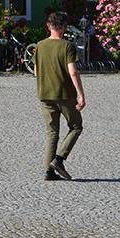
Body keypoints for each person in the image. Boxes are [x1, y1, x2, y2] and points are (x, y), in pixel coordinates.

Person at [34, 11, 87, 181]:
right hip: (64, 94)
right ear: (63, 28)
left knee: (52, 132)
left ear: (48, 26)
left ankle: (49, 172)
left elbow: (36, 71)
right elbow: (73, 71)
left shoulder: (39, 46)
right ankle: (59, 159)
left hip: (44, 94)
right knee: (76, 126)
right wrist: (81, 95)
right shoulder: (67, 46)